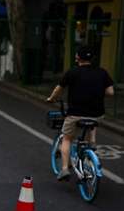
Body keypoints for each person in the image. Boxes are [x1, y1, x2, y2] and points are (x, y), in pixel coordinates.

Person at [46, 45, 114, 180]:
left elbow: (58, 89)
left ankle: (64, 169)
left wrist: (51, 99)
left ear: (77, 58)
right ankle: (92, 141)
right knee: (93, 118)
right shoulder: (102, 72)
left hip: (75, 114)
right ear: (92, 59)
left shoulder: (72, 72)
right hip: (97, 114)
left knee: (67, 138)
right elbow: (110, 92)